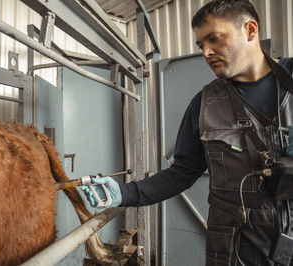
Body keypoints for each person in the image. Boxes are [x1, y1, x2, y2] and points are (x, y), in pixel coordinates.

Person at [81, 0, 293, 265]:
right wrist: (125, 194)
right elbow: (181, 173)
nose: (206, 52)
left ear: (250, 30)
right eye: (200, 45)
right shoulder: (205, 103)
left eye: (214, 39)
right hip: (234, 251)